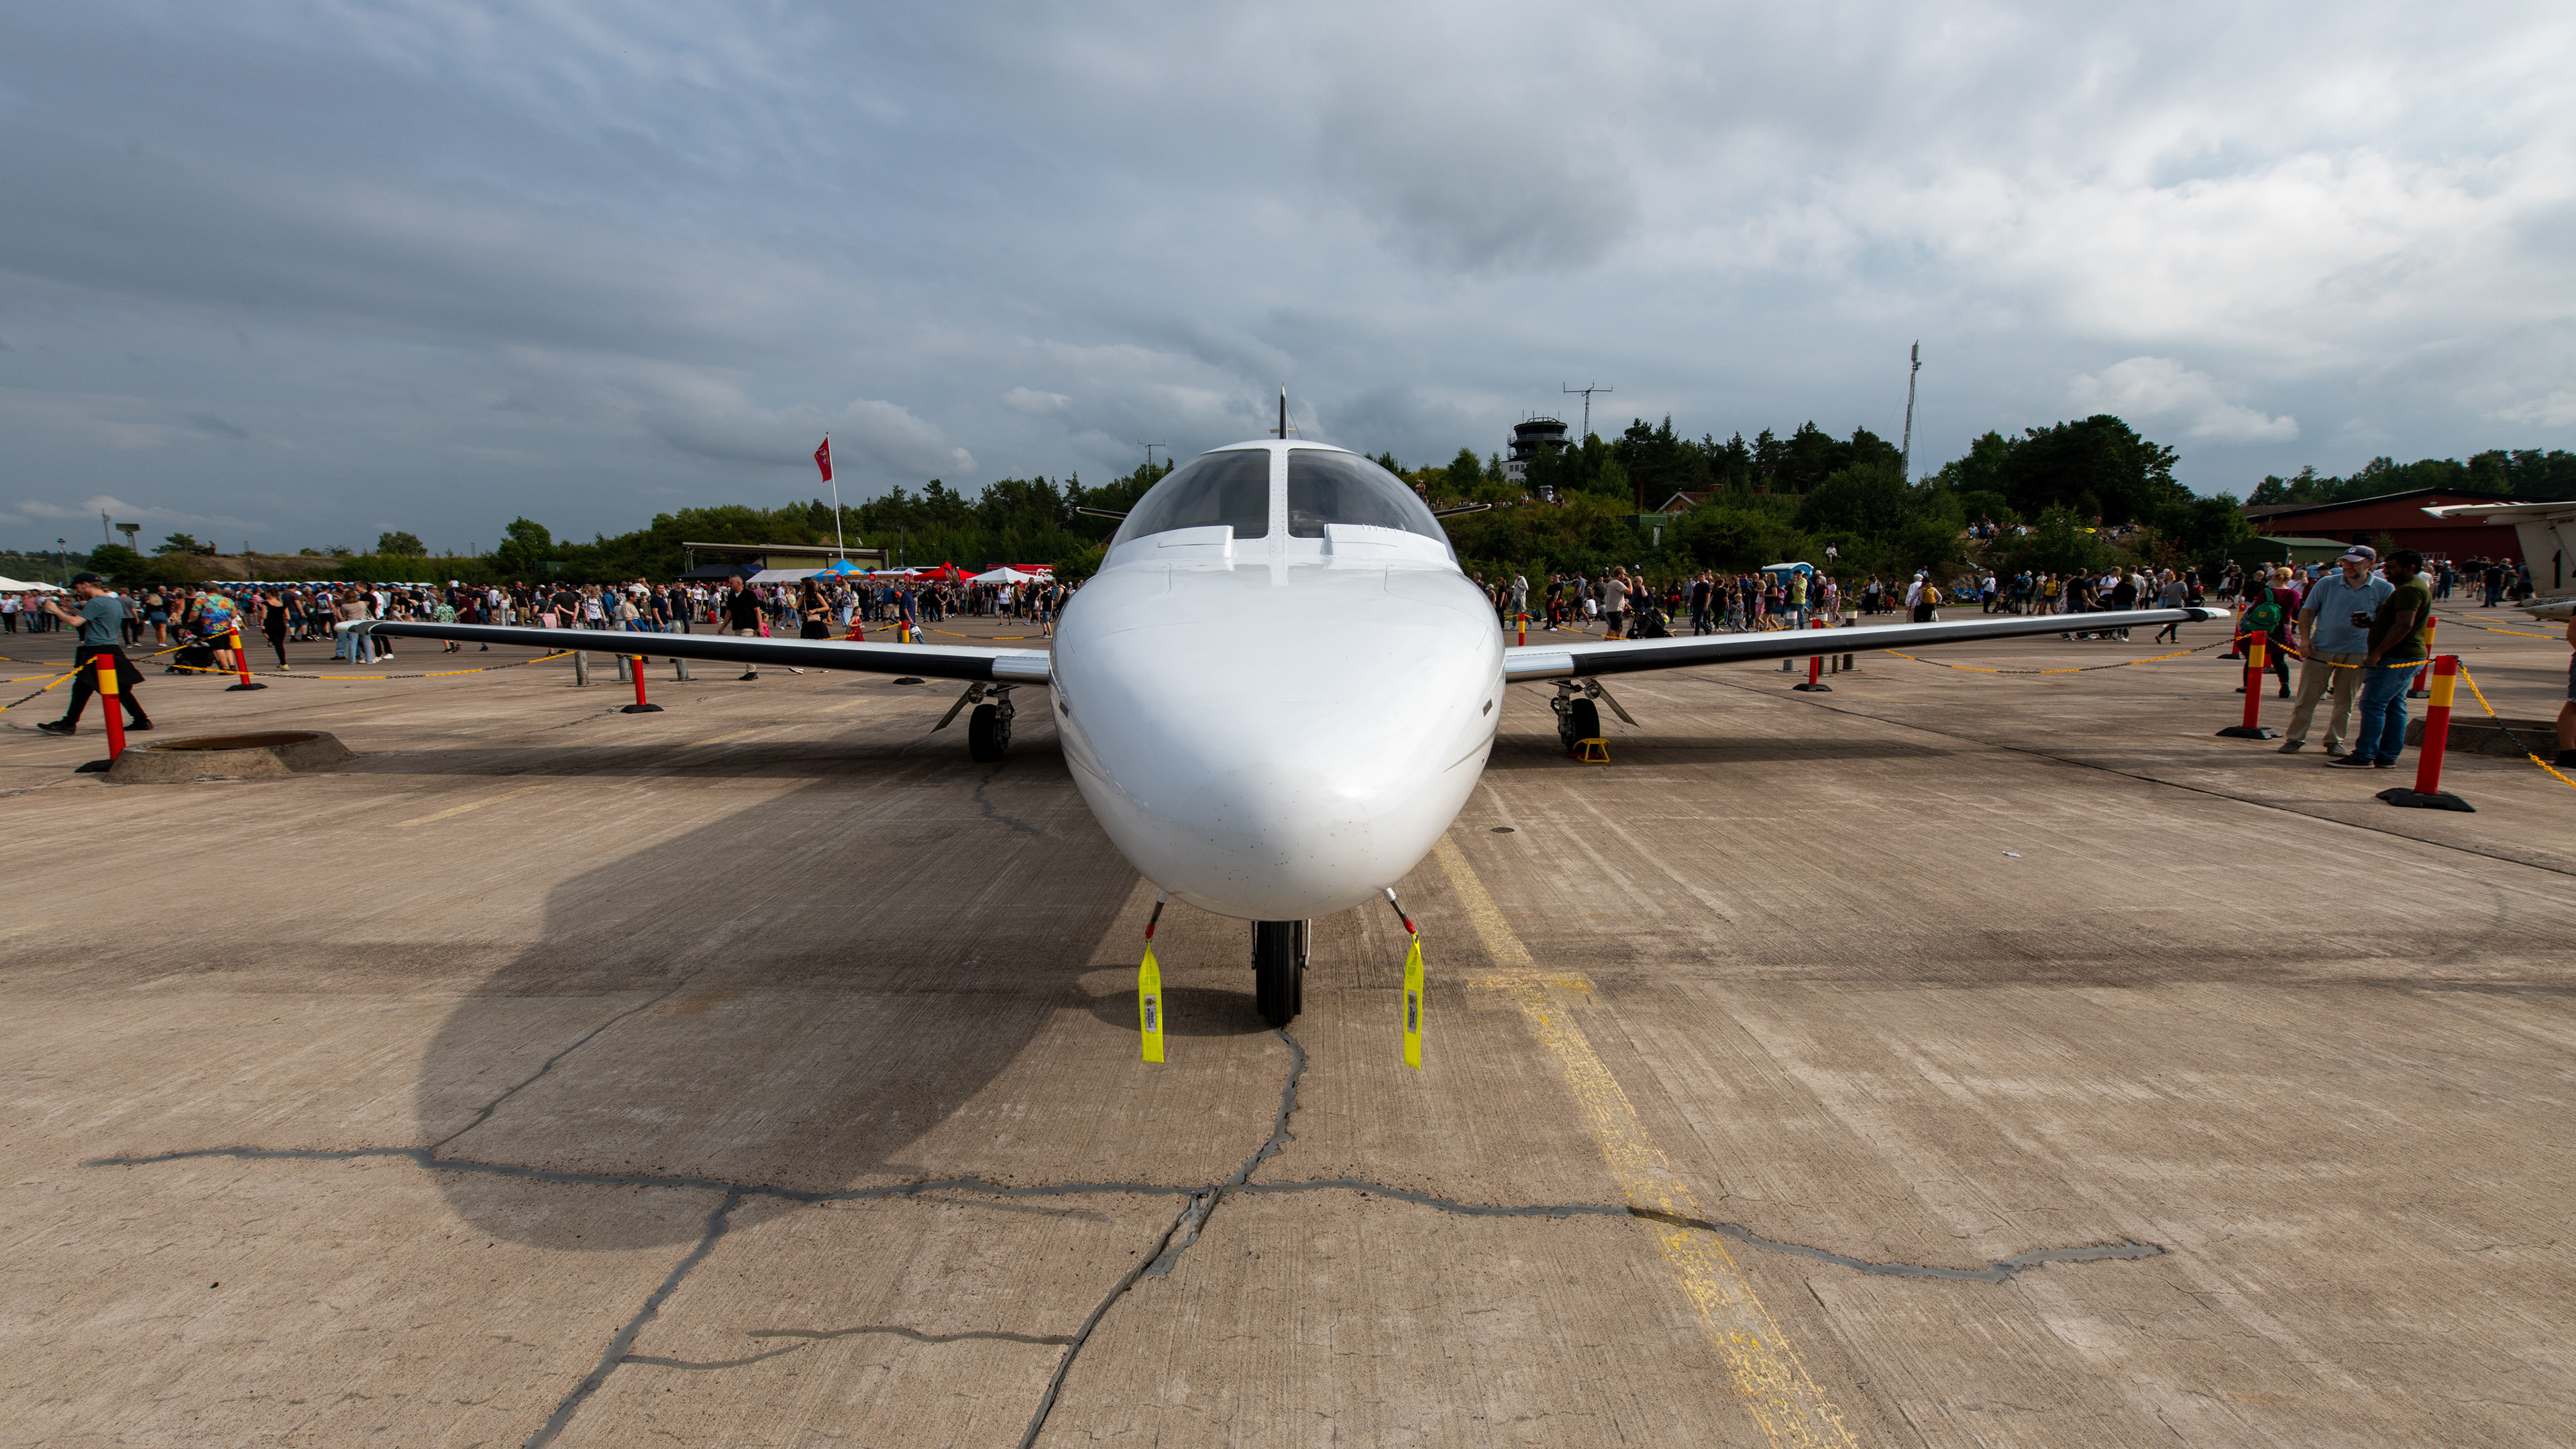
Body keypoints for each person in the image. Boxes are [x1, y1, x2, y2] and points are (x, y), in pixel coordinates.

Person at [2280, 545, 2390, 757]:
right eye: (2345, 562)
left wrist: (2373, 638)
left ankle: (2335, 741)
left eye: (2353, 563)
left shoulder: (2384, 588)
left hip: (2358, 652)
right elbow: (2307, 612)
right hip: (2321, 649)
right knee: (2306, 697)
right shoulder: (2326, 583)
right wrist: (2304, 640)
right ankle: (2294, 738)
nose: (2347, 566)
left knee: (2345, 700)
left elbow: (2388, 622)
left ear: (2369, 564)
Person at [2330, 550, 2432, 771]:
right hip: (2405, 656)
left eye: (2391, 567)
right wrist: (2372, 625)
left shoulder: (2410, 590)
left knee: (2373, 704)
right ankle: (2387, 755)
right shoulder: (2412, 587)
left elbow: (2404, 625)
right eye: (2385, 567)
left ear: (2410, 568)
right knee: (2395, 706)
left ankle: (2364, 755)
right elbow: (2398, 623)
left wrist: (2376, 654)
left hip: (2396, 657)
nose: (2385, 571)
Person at [35, 574, 152, 737]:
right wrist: (73, 610)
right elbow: (98, 620)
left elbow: (76, 623)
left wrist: (54, 610)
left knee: (85, 688)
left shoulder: (95, 602)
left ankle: (69, 723)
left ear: (86, 584)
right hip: (111, 647)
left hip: (96, 649)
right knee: (96, 687)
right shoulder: (113, 601)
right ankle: (141, 719)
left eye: (77, 588)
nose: (78, 592)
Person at [724, 575, 765, 679]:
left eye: (731, 582)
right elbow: (729, 613)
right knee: (742, 650)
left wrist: (760, 626)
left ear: (738, 583)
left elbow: (757, 610)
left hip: (749, 625)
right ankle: (751, 671)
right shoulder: (732, 595)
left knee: (747, 648)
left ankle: (752, 671)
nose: (730, 585)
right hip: (737, 625)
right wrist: (722, 627)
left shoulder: (749, 594)